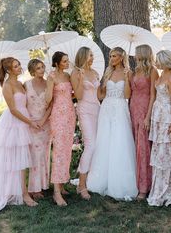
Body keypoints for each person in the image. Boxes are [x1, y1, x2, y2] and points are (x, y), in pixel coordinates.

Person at [87, 47, 138, 200]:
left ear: (122, 57)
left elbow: (128, 95)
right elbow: (100, 95)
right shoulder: (107, 72)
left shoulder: (128, 73)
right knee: (104, 141)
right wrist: (100, 85)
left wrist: (127, 79)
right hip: (107, 107)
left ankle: (119, 181)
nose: (112, 58)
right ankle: (100, 178)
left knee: (119, 141)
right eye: (110, 55)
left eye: (115, 56)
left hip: (121, 107)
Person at [0, 57, 39, 214]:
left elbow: (25, 104)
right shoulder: (7, 85)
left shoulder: (21, 84)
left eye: (19, 64)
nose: (20, 67)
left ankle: (23, 191)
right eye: (16, 66)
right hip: (14, 124)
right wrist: (29, 122)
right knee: (17, 160)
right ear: (8, 70)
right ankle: (24, 194)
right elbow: (13, 110)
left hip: (25, 121)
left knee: (22, 160)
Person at [147, 50, 171, 207]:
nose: (156, 62)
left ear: (165, 61)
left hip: (166, 117)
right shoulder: (160, 76)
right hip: (158, 117)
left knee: (166, 151)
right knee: (158, 150)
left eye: (158, 60)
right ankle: (158, 187)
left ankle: (169, 190)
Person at [46, 51, 76, 206]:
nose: (67, 63)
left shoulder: (68, 76)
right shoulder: (51, 76)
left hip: (70, 114)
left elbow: (72, 94)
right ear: (57, 63)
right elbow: (47, 99)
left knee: (66, 150)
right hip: (58, 115)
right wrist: (49, 85)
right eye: (64, 61)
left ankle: (62, 184)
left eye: (67, 60)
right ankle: (56, 192)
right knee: (58, 150)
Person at [129, 44, 158, 200]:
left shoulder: (152, 71)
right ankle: (134, 182)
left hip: (144, 109)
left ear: (142, 54)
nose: (134, 55)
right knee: (134, 145)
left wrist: (148, 117)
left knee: (144, 148)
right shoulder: (135, 71)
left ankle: (144, 187)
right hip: (133, 109)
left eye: (136, 53)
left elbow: (154, 95)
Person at [71, 47, 100, 200]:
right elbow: (79, 95)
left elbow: (99, 93)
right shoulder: (76, 73)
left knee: (98, 145)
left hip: (98, 110)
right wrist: (81, 79)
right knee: (90, 145)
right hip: (85, 110)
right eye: (90, 55)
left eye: (93, 55)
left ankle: (92, 179)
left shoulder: (95, 73)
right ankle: (81, 185)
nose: (92, 58)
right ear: (83, 57)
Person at [25, 59, 51, 200]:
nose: (41, 70)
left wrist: (43, 120)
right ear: (32, 71)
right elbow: (21, 104)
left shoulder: (49, 84)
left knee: (43, 154)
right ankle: (34, 189)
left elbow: (51, 104)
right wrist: (29, 121)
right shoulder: (26, 85)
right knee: (34, 155)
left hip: (45, 124)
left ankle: (42, 185)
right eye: (38, 68)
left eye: (42, 67)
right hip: (31, 124)